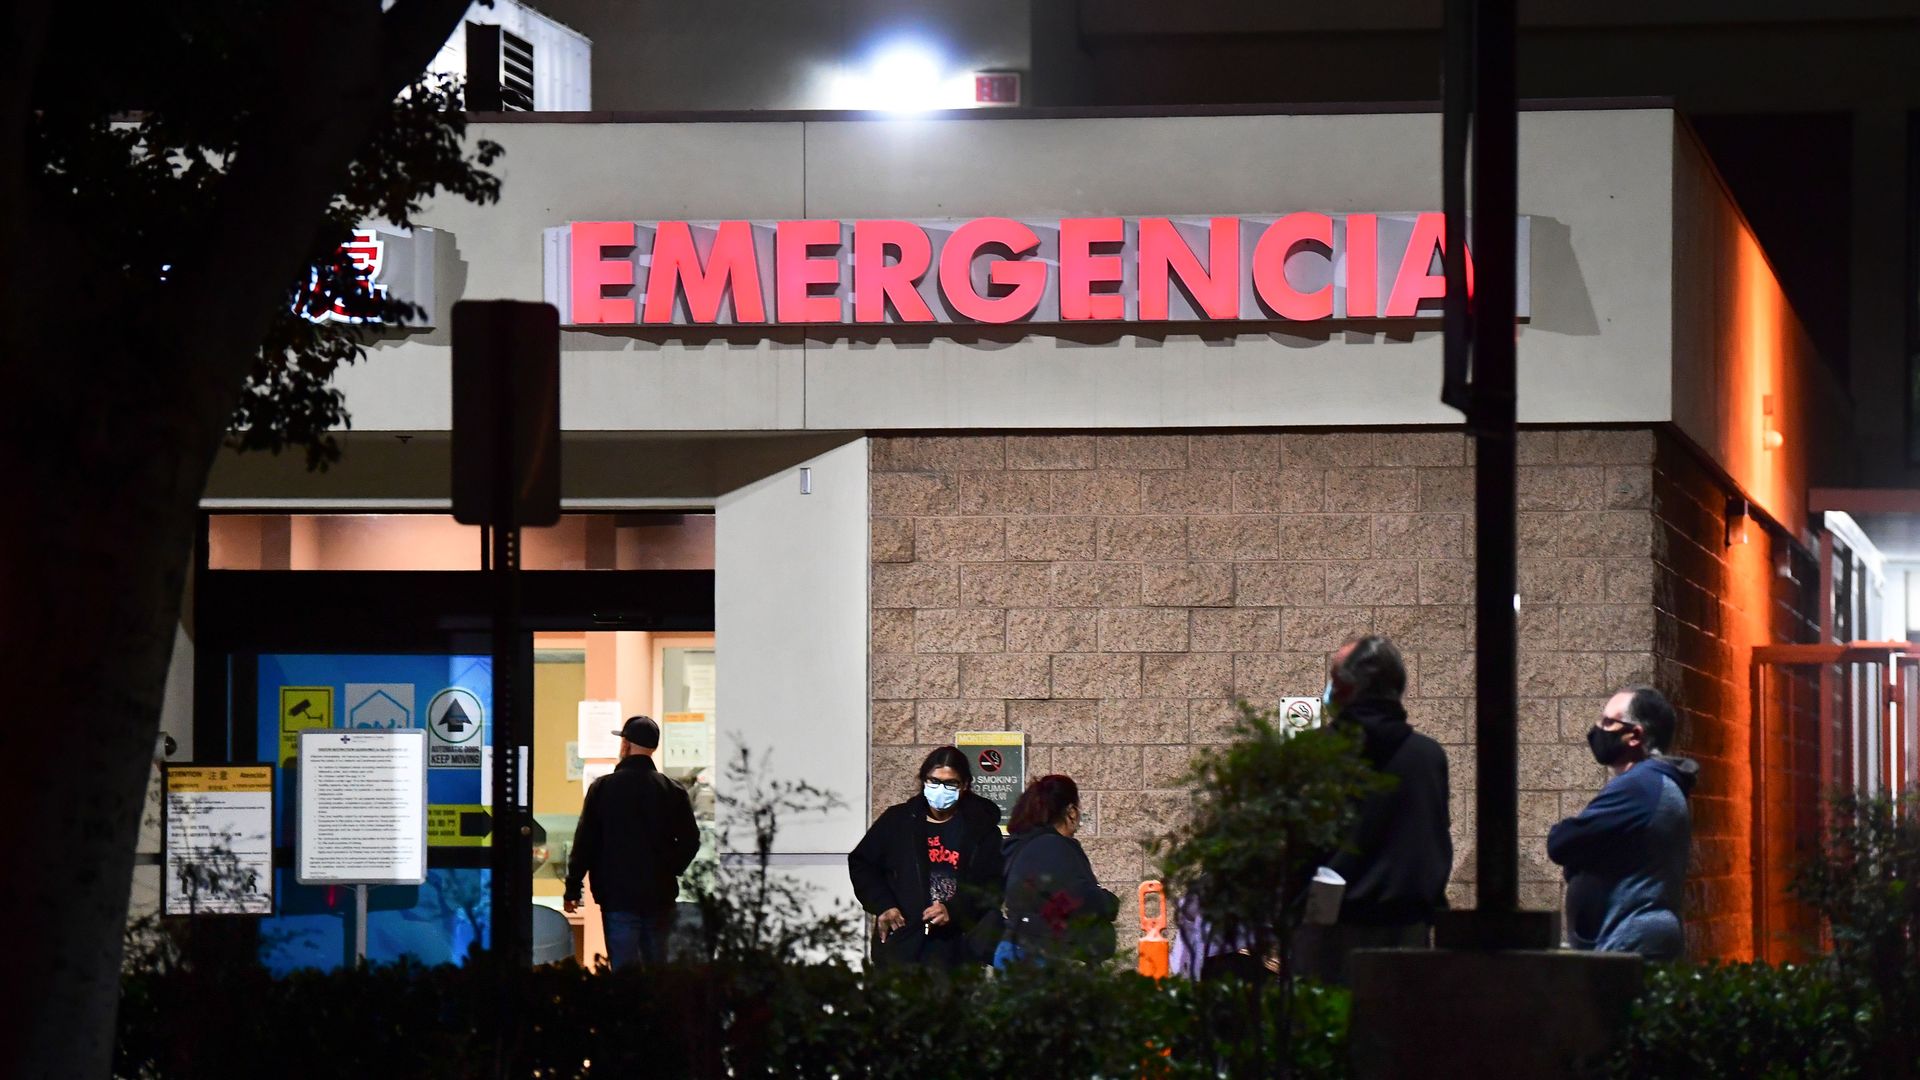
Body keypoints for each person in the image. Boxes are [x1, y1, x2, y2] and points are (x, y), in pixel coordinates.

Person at [1292, 634, 1452, 984]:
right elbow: (1435, 844)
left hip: (1329, 933)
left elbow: (1295, 848)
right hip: (1407, 934)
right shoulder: (1427, 758)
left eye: (1334, 680)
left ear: (1346, 689)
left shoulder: (1314, 755)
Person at [1548, 685, 1697, 960]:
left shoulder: (1640, 786)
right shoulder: (1654, 783)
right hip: (1631, 938)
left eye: (1608, 722)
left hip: (1630, 942)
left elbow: (1562, 842)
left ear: (1635, 736)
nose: (1598, 729)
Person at [847, 746, 1005, 967]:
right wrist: (884, 905)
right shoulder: (898, 821)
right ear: (923, 781)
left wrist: (955, 910)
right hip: (903, 944)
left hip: (955, 950)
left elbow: (992, 886)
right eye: (934, 781)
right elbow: (863, 864)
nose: (941, 789)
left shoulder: (981, 830)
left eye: (950, 783)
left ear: (964, 786)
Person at [564, 715, 700, 970]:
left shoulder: (603, 788)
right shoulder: (672, 791)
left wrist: (573, 888)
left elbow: (585, 843)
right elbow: (691, 840)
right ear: (653, 748)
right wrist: (669, 868)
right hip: (659, 895)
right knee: (657, 973)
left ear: (625, 744)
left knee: (624, 974)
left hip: (617, 895)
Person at [995, 774, 1120, 967]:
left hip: (1023, 950)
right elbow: (1077, 898)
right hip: (1041, 955)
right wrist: (1108, 901)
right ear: (1071, 811)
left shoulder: (1024, 845)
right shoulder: (1051, 846)